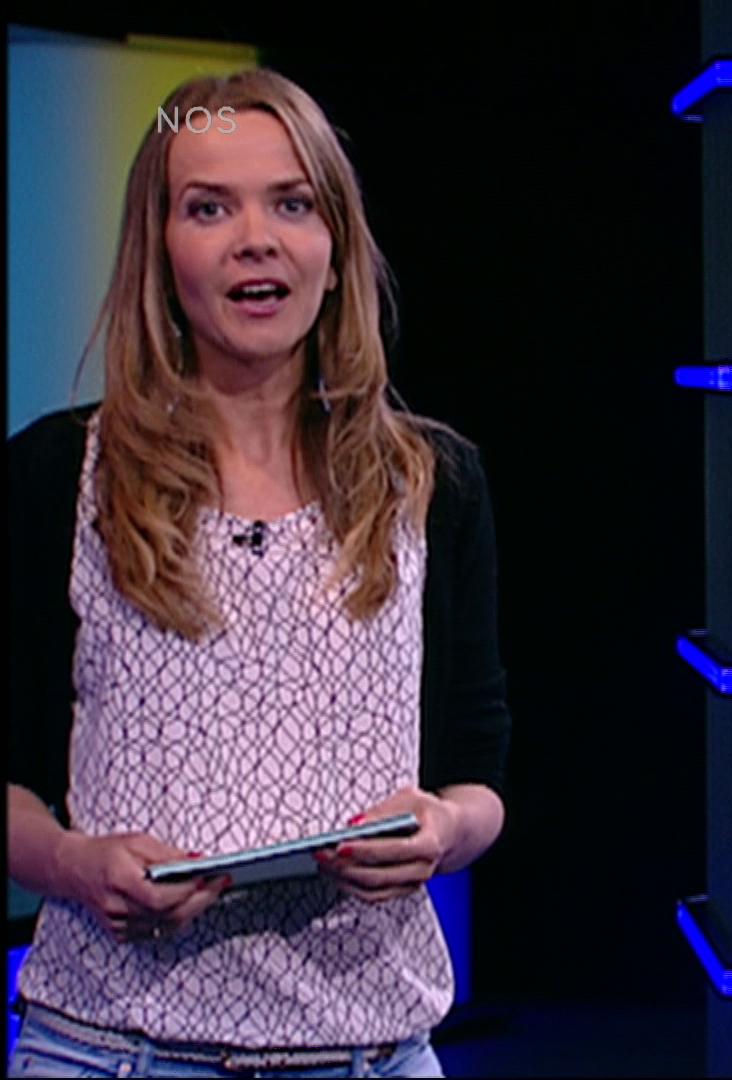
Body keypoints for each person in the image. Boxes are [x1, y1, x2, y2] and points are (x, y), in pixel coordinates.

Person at [7, 70, 507, 1077]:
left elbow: (479, 770)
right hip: (113, 1049)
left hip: (373, 1051)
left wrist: (445, 829)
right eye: (209, 208)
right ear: (159, 252)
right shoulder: (59, 474)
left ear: (337, 246)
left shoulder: (433, 481)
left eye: (292, 203)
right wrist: (71, 863)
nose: (256, 240)